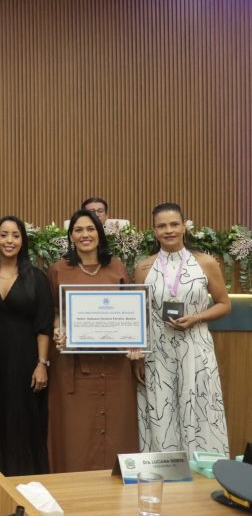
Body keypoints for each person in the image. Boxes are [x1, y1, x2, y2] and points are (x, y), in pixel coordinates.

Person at [135, 203, 231, 456]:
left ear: (184, 226)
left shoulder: (206, 263)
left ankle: (203, 469)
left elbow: (224, 304)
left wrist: (197, 317)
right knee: (162, 410)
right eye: (161, 226)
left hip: (196, 347)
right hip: (157, 352)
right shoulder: (143, 268)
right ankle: (166, 472)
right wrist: (138, 354)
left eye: (174, 224)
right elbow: (139, 315)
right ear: (154, 230)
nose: (168, 230)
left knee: (199, 407)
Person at [47, 209, 138, 473]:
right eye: (78, 230)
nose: (85, 235)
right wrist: (58, 330)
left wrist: (135, 342)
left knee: (116, 431)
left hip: (114, 367)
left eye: (90, 229)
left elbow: (132, 311)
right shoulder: (58, 270)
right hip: (74, 365)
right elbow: (53, 311)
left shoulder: (117, 267)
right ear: (71, 236)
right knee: (76, 435)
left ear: (99, 233)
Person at [0, 215, 52, 476]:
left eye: (16, 235)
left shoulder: (37, 278)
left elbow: (44, 326)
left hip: (24, 361)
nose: (9, 240)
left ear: (23, 240)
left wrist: (41, 364)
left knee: (23, 421)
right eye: (4, 234)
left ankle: (24, 484)